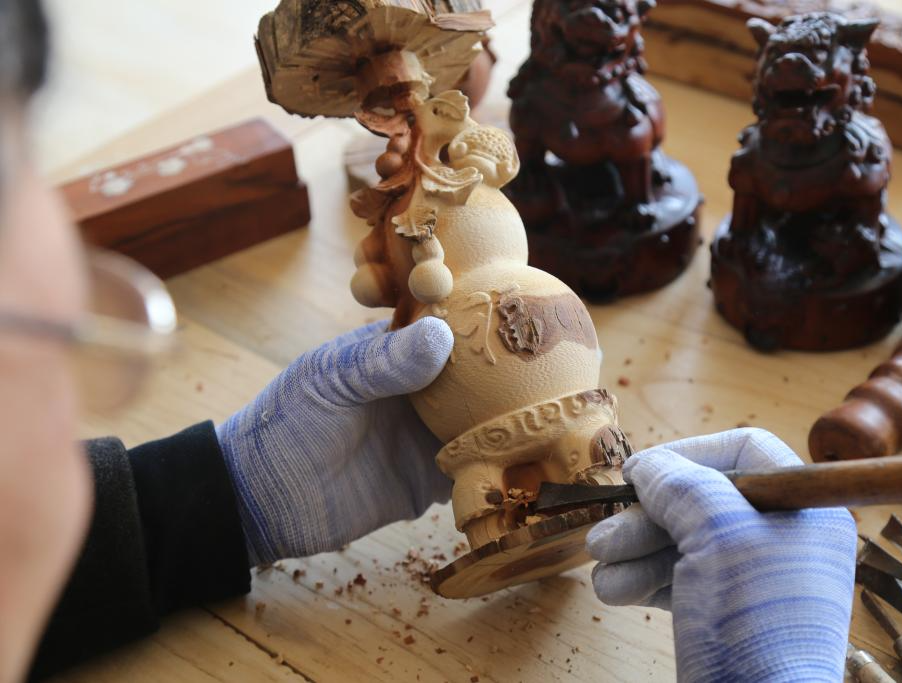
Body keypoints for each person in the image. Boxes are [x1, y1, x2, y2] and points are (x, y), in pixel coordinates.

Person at [0, 0, 857, 680]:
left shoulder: (470, 177)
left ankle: (579, 471)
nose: (77, 295)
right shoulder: (403, 210)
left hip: (533, 351)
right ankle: (504, 508)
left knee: (581, 448)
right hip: (472, 395)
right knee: (491, 479)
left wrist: (206, 501)